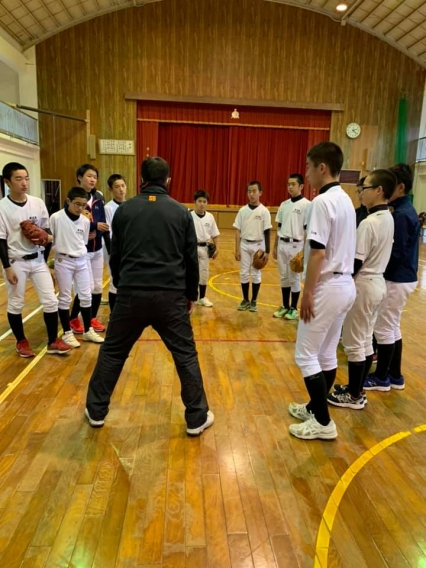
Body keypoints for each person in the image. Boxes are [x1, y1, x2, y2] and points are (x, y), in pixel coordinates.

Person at [85, 157, 213, 436]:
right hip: (170, 297)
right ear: (168, 180)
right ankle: (196, 417)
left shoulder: (125, 211)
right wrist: (190, 294)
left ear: (141, 179)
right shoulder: (181, 212)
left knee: (113, 352)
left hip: (131, 294)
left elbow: (115, 255)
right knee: (185, 355)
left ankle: (96, 411)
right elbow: (190, 258)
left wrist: (122, 284)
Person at [288, 142, 356, 440]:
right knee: (326, 354)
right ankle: (316, 407)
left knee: (305, 356)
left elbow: (317, 252)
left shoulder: (321, 202)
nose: (306, 174)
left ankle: (324, 423)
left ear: (322, 168)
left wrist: (308, 292)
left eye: (307, 167)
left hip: (327, 286)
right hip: (345, 285)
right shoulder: (345, 200)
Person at [328, 169, 395, 409]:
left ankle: (354, 396)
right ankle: (357, 388)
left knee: (354, 342)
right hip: (377, 283)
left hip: (365, 284)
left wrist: (340, 280)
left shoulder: (369, 223)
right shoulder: (388, 218)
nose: (361, 193)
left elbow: (355, 263)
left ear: (379, 191)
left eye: (365, 188)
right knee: (365, 340)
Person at [0, 162, 70, 357]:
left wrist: (46, 240)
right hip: (16, 261)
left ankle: (52, 342)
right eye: (18, 179)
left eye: (26, 178)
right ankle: (21, 341)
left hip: (38, 259)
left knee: (50, 301)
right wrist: (7, 268)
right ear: (7, 182)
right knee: (16, 303)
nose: (24, 183)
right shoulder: (2, 208)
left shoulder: (37, 202)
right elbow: (1, 241)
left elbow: (47, 232)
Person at [364, 163, 419, 392]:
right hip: (402, 277)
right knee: (392, 327)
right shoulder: (401, 210)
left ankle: (381, 377)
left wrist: (377, 271)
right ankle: (395, 375)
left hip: (398, 278)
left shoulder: (402, 215)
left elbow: (396, 253)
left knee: (384, 328)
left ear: (401, 187)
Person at [50, 187, 105, 347]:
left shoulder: (85, 221)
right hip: (63, 261)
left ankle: (88, 330)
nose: (80, 208)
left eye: (83, 205)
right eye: (77, 204)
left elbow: (83, 242)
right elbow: (49, 239)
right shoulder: (56, 218)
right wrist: (48, 263)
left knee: (86, 295)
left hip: (81, 260)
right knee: (65, 297)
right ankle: (67, 332)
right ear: (68, 201)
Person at [69, 164, 110, 335]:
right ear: (79, 177)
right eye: (89, 176)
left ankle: (92, 318)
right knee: (85, 288)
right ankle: (73, 318)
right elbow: (72, 219)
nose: (92, 179)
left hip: (97, 248)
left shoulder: (99, 197)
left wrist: (97, 231)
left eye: (95, 176)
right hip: (81, 250)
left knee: (98, 287)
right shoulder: (74, 196)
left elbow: (102, 221)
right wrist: (92, 226)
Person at [272, 173, 310, 320]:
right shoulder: (284, 205)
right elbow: (279, 226)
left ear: (301, 186)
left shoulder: (307, 205)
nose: (290, 187)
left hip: (296, 245)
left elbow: (307, 230)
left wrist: (305, 250)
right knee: (284, 277)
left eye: (293, 184)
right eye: (288, 184)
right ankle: (285, 305)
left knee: (294, 277)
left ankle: (294, 308)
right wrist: (275, 246)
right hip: (282, 243)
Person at [234, 181, 272, 312]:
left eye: (254, 191)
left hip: (258, 245)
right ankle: (245, 299)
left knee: (256, 273)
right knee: (244, 273)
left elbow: (267, 231)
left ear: (260, 193)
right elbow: (237, 230)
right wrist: (237, 249)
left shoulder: (264, 211)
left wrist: (267, 251)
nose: (251, 194)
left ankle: (254, 300)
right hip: (244, 244)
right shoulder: (242, 211)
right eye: (249, 191)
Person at [190, 190, 220, 307]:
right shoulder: (189, 216)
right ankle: (191, 298)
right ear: (195, 202)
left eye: (204, 201)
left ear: (207, 203)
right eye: (199, 201)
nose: (202, 204)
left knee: (203, 273)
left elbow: (215, 234)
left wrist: (217, 248)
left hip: (205, 248)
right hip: (192, 248)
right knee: (192, 273)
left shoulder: (210, 217)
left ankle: (202, 297)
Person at [103, 174, 127, 314]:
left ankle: (124, 310)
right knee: (114, 281)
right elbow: (108, 232)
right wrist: (113, 251)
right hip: (114, 248)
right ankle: (114, 314)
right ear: (111, 189)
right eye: (117, 187)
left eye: (123, 186)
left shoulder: (130, 205)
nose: (121, 190)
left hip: (128, 248)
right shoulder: (108, 208)